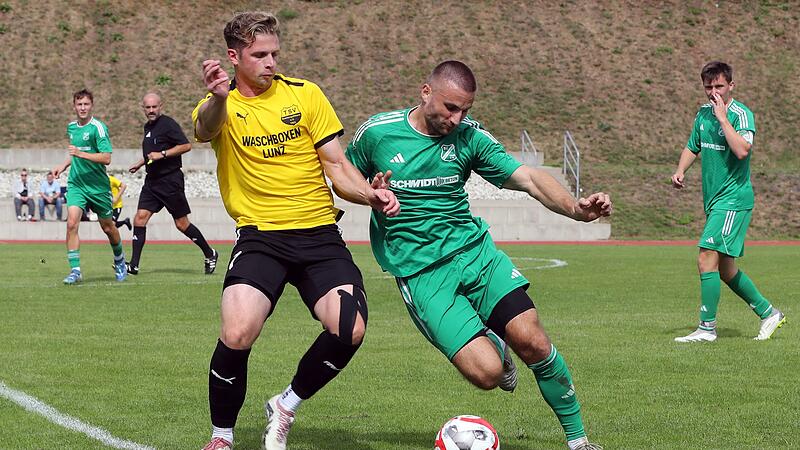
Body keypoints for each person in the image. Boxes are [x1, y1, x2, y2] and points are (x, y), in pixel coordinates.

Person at [346, 60, 610, 450]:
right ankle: (497, 348)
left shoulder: (469, 137)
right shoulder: (378, 134)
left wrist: (576, 208)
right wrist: (369, 192)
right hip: (421, 274)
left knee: (534, 341)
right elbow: (341, 176)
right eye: (450, 108)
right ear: (425, 92)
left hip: (475, 254)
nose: (457, 118)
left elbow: (528, 178)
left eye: (465, 110)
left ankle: (579, 441)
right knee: (487, 375)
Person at [192, 12, 399, 450]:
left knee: (350, 329)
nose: (270, 63)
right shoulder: (221, 106)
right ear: (234, 57)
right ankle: (222, 435)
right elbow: (205, 128)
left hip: (319, 236)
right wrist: (217, 97)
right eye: (259, 55)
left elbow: (337, 166)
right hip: (261, 237)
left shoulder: (305, 95)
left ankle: (285, 404)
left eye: (274, 54)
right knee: (237, 331)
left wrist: (369, 195)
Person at [671, 61, 786, 343]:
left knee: (705, 256)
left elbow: (742, 150)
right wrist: (680, 170)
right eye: (708, 87)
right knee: (725, 269)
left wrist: (723, 118)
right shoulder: (702, 115)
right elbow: (692, 146)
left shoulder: (741, 115)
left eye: (719, 86)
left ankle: (707, 328)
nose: (714, 93)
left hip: (733, 200)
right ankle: (769, 313)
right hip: (714, 201)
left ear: (731, 86)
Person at [126, 92, 218, 275]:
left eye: (154, 107)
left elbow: (186, 146)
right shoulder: (148, 127)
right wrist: (141, 162)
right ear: (142, 108)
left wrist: (163, 154)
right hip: (152, 182)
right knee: (140, 218)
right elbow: (152, 152)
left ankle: (210, 253)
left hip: (170, 181)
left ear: (161, 106)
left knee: (182, 224)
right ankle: (133, 266)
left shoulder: (168, 124)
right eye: (148, 107)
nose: (151, 110)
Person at [53, 88, 127, 284]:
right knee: (71, 224)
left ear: (91, 105)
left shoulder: (98, 128)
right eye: (79, 104)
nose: (83, 108)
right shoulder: (72, 127)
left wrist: (80, 154)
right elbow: (75, 153)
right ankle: (75, 271)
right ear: (74, 106)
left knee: (108, 227)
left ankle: (120, 260)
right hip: (77, 184)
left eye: (86, 104)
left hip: (98, 187)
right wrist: (63, 165)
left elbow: (106, 158)